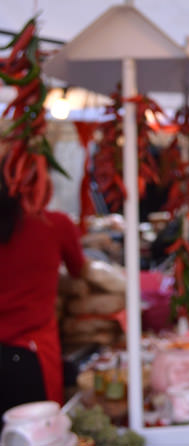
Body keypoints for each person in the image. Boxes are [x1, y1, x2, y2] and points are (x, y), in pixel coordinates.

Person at [0, 163, 85, 429]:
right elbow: (79, 270)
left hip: (20, 353)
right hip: (29, 354)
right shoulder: (55, 225)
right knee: (41, 434)